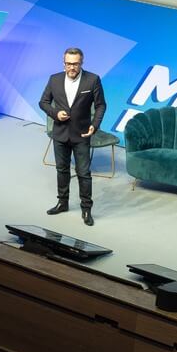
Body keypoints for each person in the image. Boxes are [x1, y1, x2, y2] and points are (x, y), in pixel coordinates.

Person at [36, 47, 105, 225]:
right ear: (64, 63)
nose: (71, 67)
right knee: (62, 170)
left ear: (81, 63)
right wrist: (55, 113)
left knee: (84, 173)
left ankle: (86, 209)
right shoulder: (54, 79)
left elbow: (101, 105)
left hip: (82, 134)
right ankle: (63, 203)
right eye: (68, 64)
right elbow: (43, 102)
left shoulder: (92, 80)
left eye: (75, 64)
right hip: (60, 133)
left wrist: (95, 125)